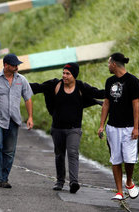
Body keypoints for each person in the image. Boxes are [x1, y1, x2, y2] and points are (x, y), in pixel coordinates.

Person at [30, 62, 104, 193]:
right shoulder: (55, 85)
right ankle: (60, 181)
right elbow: (38, 87)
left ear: (74, 75)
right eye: (63, 73)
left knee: (73, 153)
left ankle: (74, 182)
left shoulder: (81, 87)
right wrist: (18, 84)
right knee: (59, 155)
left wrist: (112, 91)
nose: (64, 76)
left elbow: (97, 92)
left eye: (67, 74)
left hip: (74, 129)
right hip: (57, 128)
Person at [0, 53, 34, 189]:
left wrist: (30, 117)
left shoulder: (21, 80)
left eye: (17, 65)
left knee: (9, 151)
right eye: (14, 65)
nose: (16, 67)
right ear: (6, 65)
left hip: (14, 120)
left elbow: (28, 99)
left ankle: (4, 178)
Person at [98, 52, 139, 200]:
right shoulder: (109, 81)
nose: (108, 66)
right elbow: (106, 104)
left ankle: (129, 181)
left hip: (129, 127)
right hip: (113, 127)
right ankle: (119, 191)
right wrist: (102, 125)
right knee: (115, 159)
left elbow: (136, 105)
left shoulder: (133, 81)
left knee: (129, 160)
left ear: (114, 64)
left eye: (109, 63)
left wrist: (136, 127)